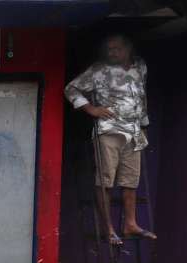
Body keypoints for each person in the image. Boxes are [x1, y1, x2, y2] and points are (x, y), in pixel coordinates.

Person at [64, 34, 156, 245]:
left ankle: (130, 224)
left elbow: (142, 98)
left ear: (128, 48)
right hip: (109, 131)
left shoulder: (140, 66)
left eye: (116, 48)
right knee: (105, 180)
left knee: (131, 180)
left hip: (133, 131)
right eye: (109, 49)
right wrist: (92, 109)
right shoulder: (99, 70)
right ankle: (109, 229)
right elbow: (71, 88)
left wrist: (144, 125)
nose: (112, 53)